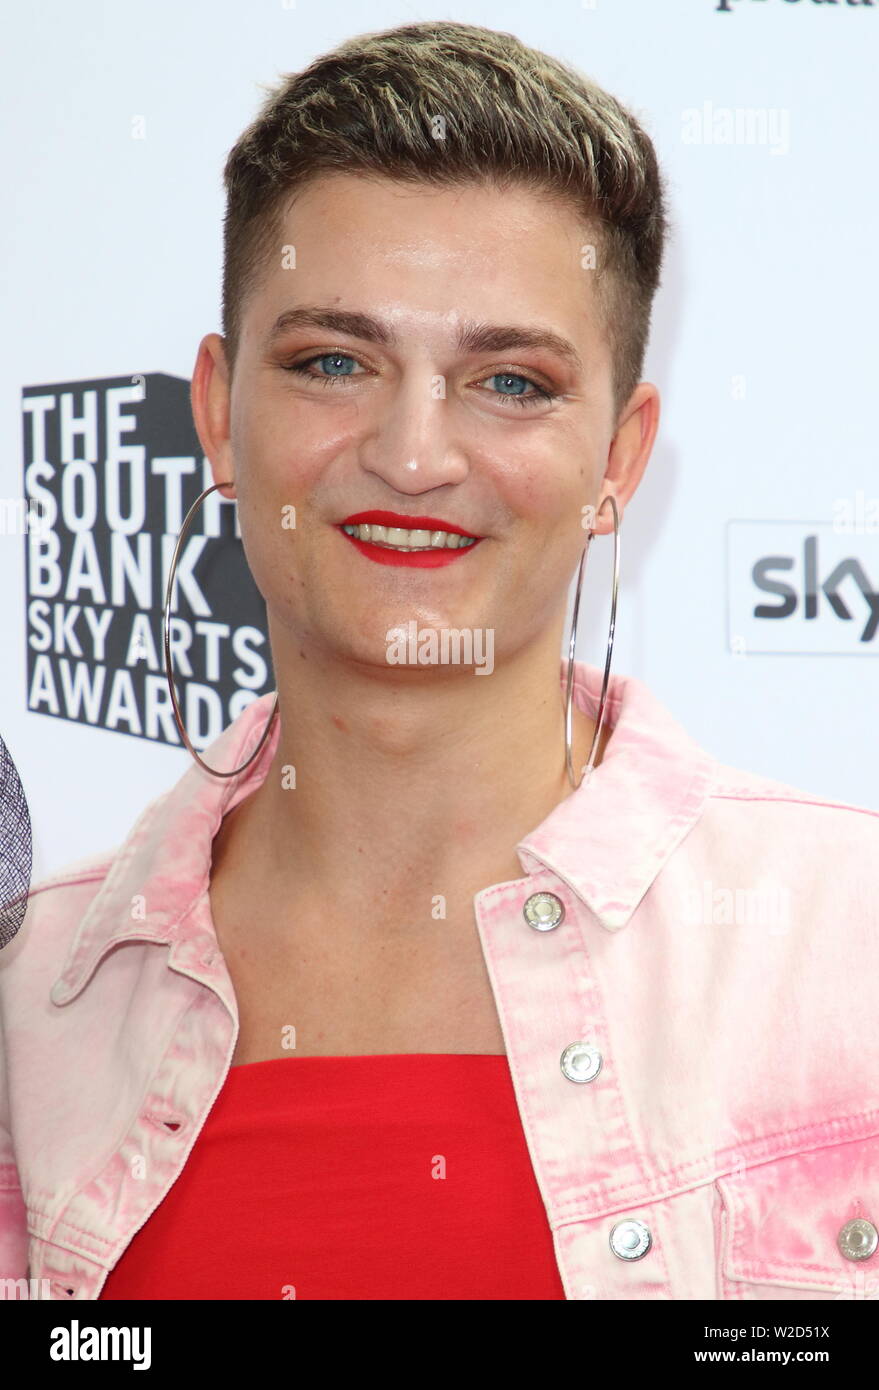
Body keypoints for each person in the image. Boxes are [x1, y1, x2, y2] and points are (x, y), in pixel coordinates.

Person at [2, 19, 878, 1303]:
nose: (415, 454)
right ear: (215, 412)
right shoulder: (31, 998)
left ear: (619, 461)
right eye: (334, 362)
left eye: (511, 382)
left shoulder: (848, 943)